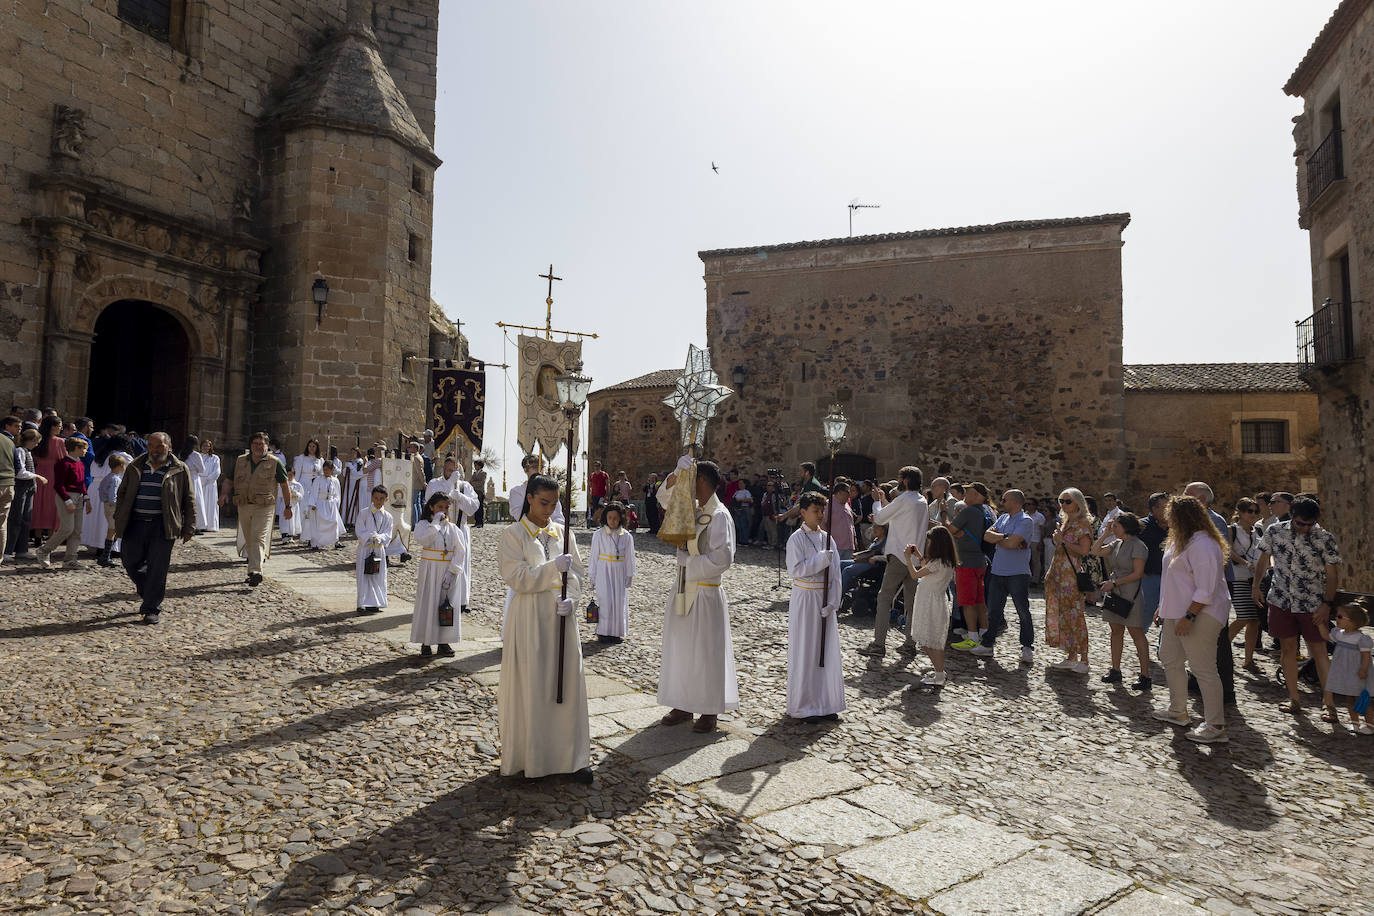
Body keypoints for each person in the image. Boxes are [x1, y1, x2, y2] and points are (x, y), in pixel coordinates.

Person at [497, 474, 592, 782]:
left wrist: (573, 599)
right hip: (529, 620)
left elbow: (577, 573)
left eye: (553, 503)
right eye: (543, 502)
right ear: (529, 498)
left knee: (567, 686)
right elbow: (517, 576)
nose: (549, 509)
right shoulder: (513, 535)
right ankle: (533, 758)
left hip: (562, 619)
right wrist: (553, 569)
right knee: (534, 685)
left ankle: (572, 759)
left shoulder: (564, 534)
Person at [656, 458, 738, 734]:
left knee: (705, 653)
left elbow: (723, 559)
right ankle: (684, 703)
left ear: (701, 481)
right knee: (683, 650)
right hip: (683, 590)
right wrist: (677, 473)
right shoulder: (691, 508)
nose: (687, 486)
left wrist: (688, 563)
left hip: (705, 593)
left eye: (691, 480)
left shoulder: (719, 515)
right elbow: (665, 499)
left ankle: (709, 710)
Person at [1152, 496, 1231, 743]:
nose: (1167, 518)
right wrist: (1162, 608)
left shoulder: (1204, 545)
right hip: (1177, 613)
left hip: (1200, 614)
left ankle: (1215, 724)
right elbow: (1174, 580)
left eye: (1171, 514)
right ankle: (1178, 711)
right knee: (1170, 657)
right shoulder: (1178, 542)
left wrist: (1189, 615)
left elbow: (1205, 589)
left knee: (1203, 668)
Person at [1254, 496, 1341, 715]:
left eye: (1309, 524)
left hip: (1312, 603)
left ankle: (1328, 703)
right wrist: (1256, 586)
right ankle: (1294, 698)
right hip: (1281, 600)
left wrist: (1326, 604)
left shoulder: (1324, 538)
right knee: (1288, 650)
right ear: (1292, 516)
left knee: (1318, 651)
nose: (1305, 528)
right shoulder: (1274, 531)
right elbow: (1263, 559)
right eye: (1301, 523)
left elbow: (1332, 575)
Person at [112, 433, 196, 623]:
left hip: (162, 524)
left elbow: (188, 499)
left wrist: (189, 526)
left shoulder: (180, 469)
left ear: (169, 446)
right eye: (151, 445)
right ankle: (149, 590)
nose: (154, 450)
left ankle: (151, 608)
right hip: (135, 522)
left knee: (158, 568)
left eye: (159, 446)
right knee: (130, 561)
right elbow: (122, 492)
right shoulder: (135, 465)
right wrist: (119, 516)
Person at [858, 466, 929, 658]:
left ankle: (878, 644)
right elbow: (899, 517)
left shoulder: (904, 499)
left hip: (899, 555)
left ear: (905, 480)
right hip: (915, 557)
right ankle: (909, 643)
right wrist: (883, 500)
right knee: (911, 602)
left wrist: (877, 503)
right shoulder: (922, 501)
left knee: (884, 598)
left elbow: (881, 517)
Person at [784, 492, 844, 722]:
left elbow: (836, 574)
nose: (819, 515)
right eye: (815, 511)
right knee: (807, 650)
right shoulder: (796, 539)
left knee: (826, 651)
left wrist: (833, 602)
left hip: (824, 599)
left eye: (822, 511)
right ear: (803, 512)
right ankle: (805, 704)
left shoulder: (828, 538)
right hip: (806, 599)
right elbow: (795, 570)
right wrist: (819, 560)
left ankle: (826, 703)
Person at [220, 432, 293, 587]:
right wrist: (224, 494)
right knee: (249, 539)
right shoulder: (240, 461)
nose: (259, 447)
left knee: (258, 537)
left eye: (262, 444)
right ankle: (252, 571)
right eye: (256, 444)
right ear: (251, 446)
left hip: (264, 506)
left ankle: (255, 571)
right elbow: (228, 480)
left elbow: (284, 485)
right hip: (244, 504)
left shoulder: (275, 463)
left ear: (267, 446)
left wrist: (288, 506)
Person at [1092, 512, 1151, 689]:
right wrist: (1105, 533)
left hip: (1129, 591)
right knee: (1115, 631)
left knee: (1136, 633)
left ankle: (1145, 675)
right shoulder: (1117, 543)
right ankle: (1115, 670)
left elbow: (1137, 573)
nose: (1113, 528)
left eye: (1116, 526)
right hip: (1115, 590)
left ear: (1126, 527)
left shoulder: (1138, 546)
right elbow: (1095, 551)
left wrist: (1114, 583)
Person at [976, 489, 1035, 663]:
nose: (1002, 502)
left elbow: (1012, 544)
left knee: (1022, 611)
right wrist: (1006, 537)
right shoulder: (1002, 518)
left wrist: (1002, 539)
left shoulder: (1026, 521)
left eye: (1004, 499)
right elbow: (987, 536)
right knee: (993, 611)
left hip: (1018, 573)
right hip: (998, 570)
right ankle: (987, 644)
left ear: (1015, 502)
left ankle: (1027, 646)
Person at [410, 492, 465, 658]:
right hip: (430, 569)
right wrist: (435, 524)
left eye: (446, 507)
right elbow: (423, 540)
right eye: (440, 507)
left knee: (445, 605)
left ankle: (444, 641)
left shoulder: (453, 528)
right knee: (429, 603)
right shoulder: (423, 525)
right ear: (432, 507)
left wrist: (453, 571)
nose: (444, 510)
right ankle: (426, 641)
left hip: (447, 571)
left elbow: (460, 550)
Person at [1046, 487, 1094, 672]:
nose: (1063, 504)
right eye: (1061, 501)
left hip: (1071, 577)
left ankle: (1084, 659)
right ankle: (1071, 654)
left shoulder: (1082, 524)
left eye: (1068, 501)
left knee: (1075, 616)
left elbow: (1084, 550)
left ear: (1078, 503)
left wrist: (1063, 541)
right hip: (1058, 573)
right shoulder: (1066, 523)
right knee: (1064, 615)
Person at [903, 527, 958, 686]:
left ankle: (940, 674)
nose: (928, 544)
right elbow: (929, 567)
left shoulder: (937, 562)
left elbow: (915, 575)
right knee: (933, 640)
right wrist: (919, 556)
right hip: (935, 601)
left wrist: (908, 558)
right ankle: (939, 671)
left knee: (929, 641)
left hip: (929, 603)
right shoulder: (946, 561)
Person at [949, 482, 991, 651]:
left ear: (976, 494)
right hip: (981, 561)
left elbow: (951, 529)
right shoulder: (988, 511)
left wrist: (944, 513)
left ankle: (972, 636)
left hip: (966, 562)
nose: (965, 495)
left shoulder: (968, 511)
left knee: (967, 602)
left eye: (968, 492)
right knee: (980, 600)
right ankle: (984, 633)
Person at [1318, 604, 1373, 734]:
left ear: (1352, 621)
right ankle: (1355, 723)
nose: (1336, 618)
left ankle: (1371, 725)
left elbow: (1366, 657)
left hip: (1357, 673)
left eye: (1340, 616)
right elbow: (1326, 636)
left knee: (1361, 699)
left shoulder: (1361, 639)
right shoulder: (1339, 634)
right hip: (1345, 672)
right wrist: (1320, 624)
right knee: (1349, 698)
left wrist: (1364, 670)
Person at [37, 436, 90, 568]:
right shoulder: (63, 463)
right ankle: (44, 550)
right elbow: (58, 485)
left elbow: (82, 483)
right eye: (84, 449)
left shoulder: (80, 463)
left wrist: (87, 499)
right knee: (67, 528)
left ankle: (70, 560)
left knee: (77, 530)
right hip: (66, 496)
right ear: (76, 448)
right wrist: (67, 501)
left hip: (79, 497)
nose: (85, 452)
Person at [1226, 498, 1264, 672]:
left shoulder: (1259, 531)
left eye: (1256, 511)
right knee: (1244, 617)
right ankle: (1221, 650)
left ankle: (1248, 660)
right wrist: (1245, 563)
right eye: (1250, 511)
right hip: (1238, 576)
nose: (1253, 515)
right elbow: (1228, 550)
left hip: (1255, 578)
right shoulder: (1232, 530)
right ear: (1240, 512)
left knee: (1255, 620)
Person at [588, 501, 635, 644]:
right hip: (603, 570)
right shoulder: (599, 535)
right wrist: (592, 575)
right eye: (610, 518)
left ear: (620, 518)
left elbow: (630, 557)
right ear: (605, 518)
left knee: (618, 601)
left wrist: (629, 574)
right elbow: (594, 556)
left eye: (615, 518)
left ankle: (616, 632)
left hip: (619, 571)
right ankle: (603, 632)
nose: (612, 521)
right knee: (605, 600)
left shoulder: (626, 536)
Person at [354, 486, 393, 616]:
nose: (378, 501)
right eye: (376, 498)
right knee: (364, 576)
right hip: (366, 549)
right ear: (371, 498)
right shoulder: (364, 513)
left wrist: (380, 537)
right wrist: (369, 536)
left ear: (386, 499)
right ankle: (362, 603)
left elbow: (388, 533)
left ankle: (375, 603)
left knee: (378, 576)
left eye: (381, 499)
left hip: (378, 550)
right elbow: (359, 529)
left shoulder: (388, 516)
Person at [7, 427, 45, 561]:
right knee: (15, 519)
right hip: (21, 487)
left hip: (28, 488)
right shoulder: (20, 451)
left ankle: (21, 549)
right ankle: (7, 551)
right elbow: (20, 472)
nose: (37, 444)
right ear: (31, 440)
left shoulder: (27, 452)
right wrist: (37, 476)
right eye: (36, 441)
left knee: (25, 519)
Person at [31, 415, 65, 540]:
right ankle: (51, 537)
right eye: (60, 426)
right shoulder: (59, 442)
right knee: (52, 506)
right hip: (54, 475)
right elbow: (63, 460)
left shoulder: (38, 439)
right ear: (53, 427)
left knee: (38, 504)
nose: (61, 428)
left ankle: (37, 536)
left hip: (38, 473)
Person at [95, 454, 126, 567]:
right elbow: (113, 495)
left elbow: (101, 490)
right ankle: (106, 556)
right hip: (113, 507)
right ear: (120, 466)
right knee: (113, 530)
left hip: (106, 505)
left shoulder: (107, 477)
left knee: (112, 530)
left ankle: (105, 555)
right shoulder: (115, 479)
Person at [305, 461, 344, 549]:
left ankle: (336, 541)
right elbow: (314, 492)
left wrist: (335, 503)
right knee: (319, 524)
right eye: (324, 469)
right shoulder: (318, 480)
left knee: (334, 522)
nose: (326, 472)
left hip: (331, 505)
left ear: (332, 470)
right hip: (320, 504)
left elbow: (337, 494)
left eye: (328, 470)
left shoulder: (335, 481)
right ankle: (316, 543)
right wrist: (313, 503)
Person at [193, 439, 221, 533]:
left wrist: (208, 479)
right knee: (200, 504)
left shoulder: (215, 458)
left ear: (210, 447)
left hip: (210, 484)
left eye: (207, 446)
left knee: (210, 504)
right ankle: (200, 525)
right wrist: (200, 480)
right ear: (201, 446)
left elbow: (217, 471)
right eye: (204, 445)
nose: (206, 447)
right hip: (199, 483)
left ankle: (210, 525)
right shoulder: (198, 456)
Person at [1026, 497, 1046, 586]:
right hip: (1025, 541)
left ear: (1035, 506)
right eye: (1026, 504)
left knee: (1035, 561)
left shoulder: (1040, 517)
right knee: (1025, 561)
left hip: (1035, 540)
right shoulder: (1024, 514)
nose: (1027, 506)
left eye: (1030, 504)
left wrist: (1041, 542)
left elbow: (1042, 530)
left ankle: (1035, 580)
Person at [281, 470, 304, 542]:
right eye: (287, 475)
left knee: (293, 520)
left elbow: (301, 496)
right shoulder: (283, 484)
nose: (289, 476)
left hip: (294, 504)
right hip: (285, 504)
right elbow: (279, 494)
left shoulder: (297, 485)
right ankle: (284, 536)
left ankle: (290, 536)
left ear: (294, 475)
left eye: (291, 475)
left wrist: (296, 493)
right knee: (285, 520)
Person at [587, 460, 609, 528]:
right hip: (594, 495)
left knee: (601, 508)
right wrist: (589, 496)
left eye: (598, 466)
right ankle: (598, 524)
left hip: (602, 495)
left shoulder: (604, 475)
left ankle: (592, 520)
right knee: (596, 509)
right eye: (595, 466)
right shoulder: (592, 475)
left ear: (600, 466)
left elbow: (607, 484)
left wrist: (607, 495)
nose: (596, 467)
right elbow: (589, 486)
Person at [470, 459, 488, 528]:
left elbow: (481, 483)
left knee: (480, 507)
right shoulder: (474, 473)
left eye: (476, 465)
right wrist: (474, 483)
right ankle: (476, 522)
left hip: (480, 492)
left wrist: (474, 483)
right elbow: (470, 482)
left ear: (480, 466)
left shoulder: (483, 473)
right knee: (475, 506)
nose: (474, 466)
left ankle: (480, 522)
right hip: (474, 492)